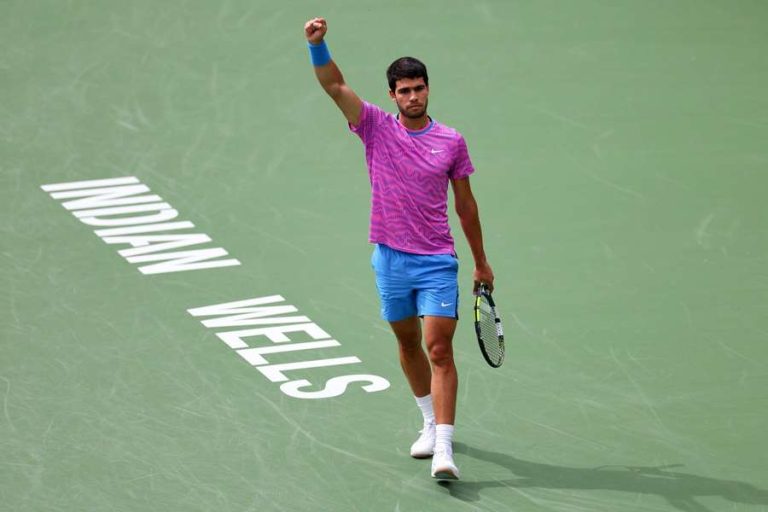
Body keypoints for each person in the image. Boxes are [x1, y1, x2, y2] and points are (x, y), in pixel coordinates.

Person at [304, 17, 494, 480]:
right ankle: (428, 422)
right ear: (392, 95)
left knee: (439, 349)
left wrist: (481, 262)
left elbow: (465, 207)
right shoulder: (373, 126)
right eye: (404, 90)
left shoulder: (451, 141)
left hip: (436, 262)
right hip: (388, 258)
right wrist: (317, 44)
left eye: (419, 88)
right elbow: (334, 85)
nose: (413, 96)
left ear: (429, 90)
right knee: (407, 343)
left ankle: (445, 448)